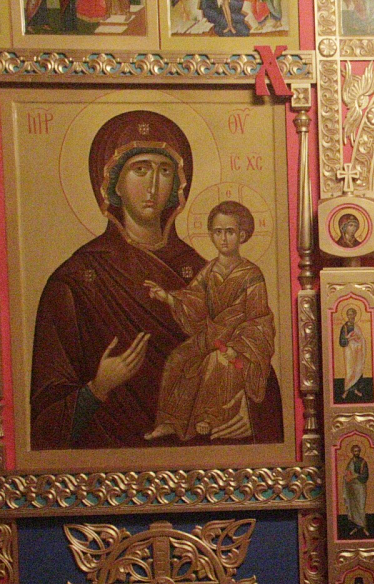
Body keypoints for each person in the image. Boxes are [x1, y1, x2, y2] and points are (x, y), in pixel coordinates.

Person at [30, 110, 282, 449]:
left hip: (202, 456)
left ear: (178, 184)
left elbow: (251, 348)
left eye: (164, 171)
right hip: (108, 461)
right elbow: (43, 421)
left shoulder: (204, 270)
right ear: (112, 182)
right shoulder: (75, 282)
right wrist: (97, 388)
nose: (152, 186)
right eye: (140, 169)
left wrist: (251, 409)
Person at [144, 200, 276, 441]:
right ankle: (171, 422)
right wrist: (168, 298)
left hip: (237, 346)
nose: (223, 238)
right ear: (211, 235)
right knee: (178, 358)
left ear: (242, 235)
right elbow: (194, 299)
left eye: (230, 232)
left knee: (217, 362)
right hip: (212, 336)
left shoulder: (251, 275)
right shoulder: (210, 270)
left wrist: (238, 348)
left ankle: (208, 417)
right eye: (218, 232)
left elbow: (258, 319)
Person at [338, 307, 366, 401]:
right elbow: (342, 341)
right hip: (349, 351)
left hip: (357, 351)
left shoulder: (357, 326)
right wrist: (350, 339)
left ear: (355, 315)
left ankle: (355, 389)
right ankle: (346, 389)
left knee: (357, 368)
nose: (351, 316)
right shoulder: (345, 327)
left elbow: (361, 339)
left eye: (353, 314)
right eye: (349, 314)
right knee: (350, 369)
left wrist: (358, 340)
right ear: (347, 316)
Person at [343, 444, 370, 538]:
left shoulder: (363, 462)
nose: (357, 453)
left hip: (360, 487)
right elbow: (347, 473)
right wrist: (346, 477)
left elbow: (365, 476)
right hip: (352, 487)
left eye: (358, 451)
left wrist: (356, 476)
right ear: (352, 452)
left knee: (361, 507)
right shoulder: (350, 462)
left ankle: (364, 527)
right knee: (353, 507)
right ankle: (356, 526)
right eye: (355, 451)